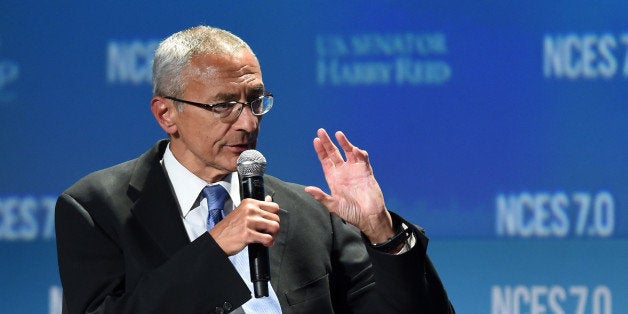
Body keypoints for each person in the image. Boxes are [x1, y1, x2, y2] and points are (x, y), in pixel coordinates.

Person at [55, 25, 454, 314]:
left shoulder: (309, 212)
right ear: (166, 114)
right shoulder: (95, 208)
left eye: (256, 100)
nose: (247, 122)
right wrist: (213, 249)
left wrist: (381, 231)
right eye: (224, 104)